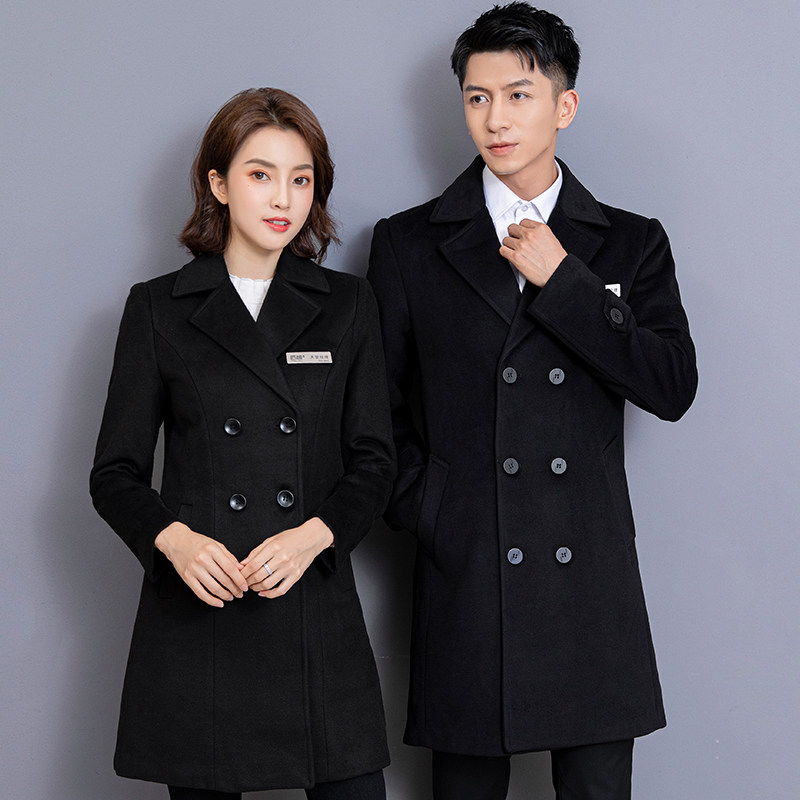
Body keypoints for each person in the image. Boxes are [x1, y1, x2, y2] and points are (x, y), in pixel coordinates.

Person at [367, 4, 697, 799]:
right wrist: (435, 507)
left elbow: (671, 386)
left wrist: (566, 282)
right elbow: (375, 412)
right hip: (469, 568)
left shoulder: (630, 241)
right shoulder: (408, 243)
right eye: (477, 98)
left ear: (564, 105)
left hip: (589, 578)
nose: (496, 119)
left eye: (518, 95)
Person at [90, 88, 395, 800]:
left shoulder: (348, 304)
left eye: (301, 178)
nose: (283, 197)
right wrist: (176, 543)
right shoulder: (157, 308)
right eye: (261, 174)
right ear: (219, 185)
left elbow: (376, 462)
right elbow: (115, 473)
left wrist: (313, 536)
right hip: (203, 610)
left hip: (311, 601)